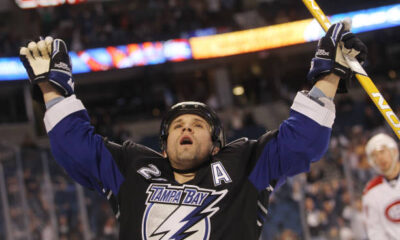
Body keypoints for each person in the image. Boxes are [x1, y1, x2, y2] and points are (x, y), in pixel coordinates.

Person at [19, 22, 366, 239]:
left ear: (216, 146)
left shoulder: (244, 163)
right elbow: (76, 150)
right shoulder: (132, 167)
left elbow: (302, 142)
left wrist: (328, 76)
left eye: (198, 125)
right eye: (178, 126)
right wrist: (54, 91)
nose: (186, 128)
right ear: (164, 147)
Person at [363, 133, 400, 239]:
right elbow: (375, 230)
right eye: (374, 155)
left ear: (394, 151)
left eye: (382, 151)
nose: (379, 158)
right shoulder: (371, 191)